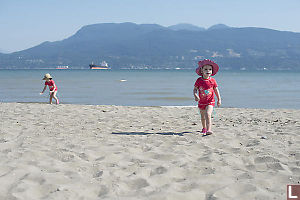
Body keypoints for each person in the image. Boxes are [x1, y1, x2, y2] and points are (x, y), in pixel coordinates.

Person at [193, 59, 221, 135]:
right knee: (202, 117)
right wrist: (195, 95)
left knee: (208, 114)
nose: (208, 71)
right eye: (205, 69)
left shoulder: (213, 80)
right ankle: (204, 128)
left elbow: (216, 90)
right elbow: (195, 89)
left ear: (212, 71)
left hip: (210, 101)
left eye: (210, 69)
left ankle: (209, 129)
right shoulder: (199, 80)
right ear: (201, 71)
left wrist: (219, 99)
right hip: (201, 102)